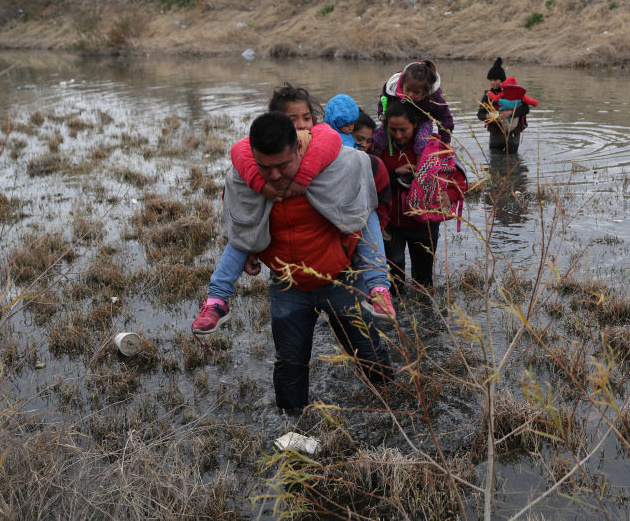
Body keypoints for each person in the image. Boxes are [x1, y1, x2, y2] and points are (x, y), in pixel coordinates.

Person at [192, 84, 394, 339]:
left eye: (306, 118)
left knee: (364, 214)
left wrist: (302, 179)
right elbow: (239, 154)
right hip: (288, 279)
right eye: (292, 119)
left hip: (338, 272)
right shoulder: (260, 152)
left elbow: (331, 142)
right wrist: (261, 185)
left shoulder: (328, 141)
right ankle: (217, 298)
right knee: (245, 227)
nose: (301, 126)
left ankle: (378, 284)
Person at [228, 111, 393, 415]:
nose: (275, 176)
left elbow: (371, 194)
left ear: (299, 147)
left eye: (282, 166)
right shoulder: (249, 179)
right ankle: (292, 426)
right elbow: (241, 221)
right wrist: (248, 252)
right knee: (290, 360)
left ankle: (391, 403)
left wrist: (377, 279)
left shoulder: (336, 168)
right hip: (288, 283)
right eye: (266, 168)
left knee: (366, 347)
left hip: (341, 277)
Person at [373, 101, 464, 301]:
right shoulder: (378, 147)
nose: (397, 135)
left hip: (424, 224)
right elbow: (368, 179)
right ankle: (397, 318)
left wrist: (449, 195)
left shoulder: (433, 147)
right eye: (392, 129)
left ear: (415, 124)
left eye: (403, 129)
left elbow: (458, 179)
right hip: (390, 225)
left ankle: (425, 318)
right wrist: (394, 174)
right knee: (393, 279)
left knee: (424, 281)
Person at [374, 60, 454, 154]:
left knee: (421, 141)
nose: (410, 95)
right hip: (397, 121)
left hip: (422, 121)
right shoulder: (392, 88)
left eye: (416, 92)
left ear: (425, 92)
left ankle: (419, 167)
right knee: (378, 139)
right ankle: (377, 162)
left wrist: (445, 141)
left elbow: (444, 118)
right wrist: (381, 115)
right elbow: (383, 100)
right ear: (402, 84)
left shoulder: (433, 98)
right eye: (407, 89)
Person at [476, 58, 532, 153]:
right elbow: (480, 114)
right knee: (494, 158)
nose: (492, 82)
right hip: (496, 132)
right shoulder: (487, 95)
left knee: (512, 158)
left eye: (495, 80)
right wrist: (487, 117)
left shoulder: (515, 92)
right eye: (491, 80)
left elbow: (526, 109)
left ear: (502, 80)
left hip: (513, 132)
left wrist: (511, 112)